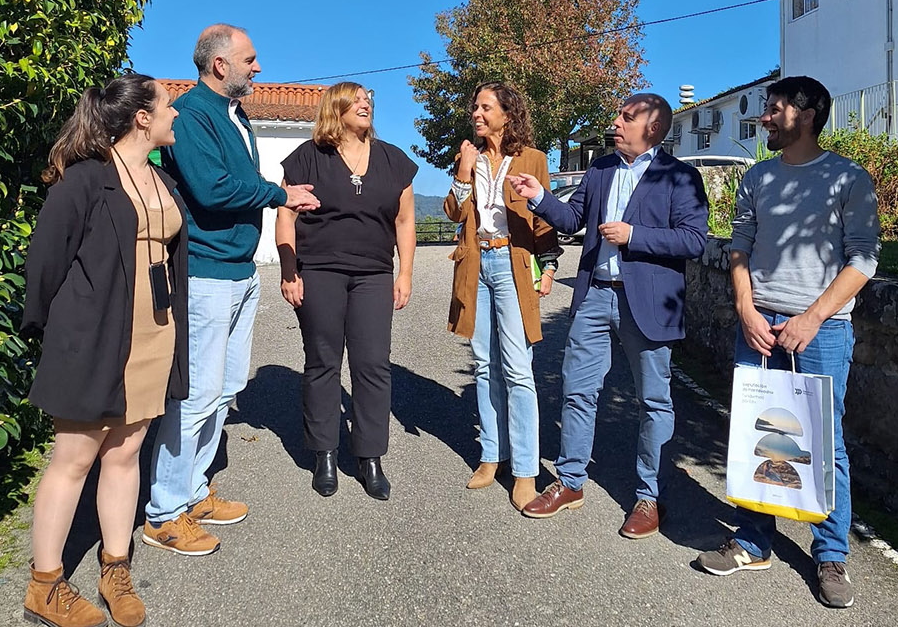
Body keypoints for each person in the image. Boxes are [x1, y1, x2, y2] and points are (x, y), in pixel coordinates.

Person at [696, 76, 879, 608]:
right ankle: (753, 541)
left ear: (805, 114)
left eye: (774, 110)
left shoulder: (849, 178)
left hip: (821, 329)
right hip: (758, 324)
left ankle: (830, 556)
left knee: (823, 442)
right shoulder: (756, 178)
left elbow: (863, 258)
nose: (765, 120)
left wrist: (813, 317)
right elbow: (739, 247)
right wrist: (745, 308)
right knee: (757, 434)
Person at [21, 75, 188, 627]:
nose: (174, 116)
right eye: (167, 107)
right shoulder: (86, 181)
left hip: (152, 332)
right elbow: (45, 261)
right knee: (74, 459)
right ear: (142, 116)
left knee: (125, 451)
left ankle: (114, 569)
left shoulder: (163, 179)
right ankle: (45, 585)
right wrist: (53, 333)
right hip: (92, 336)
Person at [143, 24, 318, 554]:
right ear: (220, 65)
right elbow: (212, 188)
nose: (258, 67)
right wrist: (278, 194)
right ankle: (163, 512)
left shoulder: (236, 114)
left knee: (224, 388)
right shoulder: (195, 114)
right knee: (195, 394)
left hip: (239, 273)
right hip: (206, 275)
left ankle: (194, 492)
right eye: (250, 58)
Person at [509, 92, 708, 537]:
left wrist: (634, 235)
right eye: (618, 115)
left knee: (653, 401)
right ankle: (571, 482)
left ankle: (648, 497)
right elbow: (573, 217)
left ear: (652, 128)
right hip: (596, 295)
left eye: (627, 117)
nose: (615, 122)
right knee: (578, 390)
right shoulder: (600, 168)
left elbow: (694, 240)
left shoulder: (679, 177)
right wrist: (540, 196)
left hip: (649, 304)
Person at [276, 82, 417, 501]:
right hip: (319, 271)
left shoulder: (394, 161)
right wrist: (289, 270)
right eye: (355, 99)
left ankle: (370, 456)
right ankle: (324, 453)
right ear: (335, 109)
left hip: (373, 275)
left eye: (368, 100)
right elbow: (285, 216)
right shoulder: (307, 158)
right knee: (322, 362)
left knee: (373, 364)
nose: (365, 104)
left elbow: (405, 221)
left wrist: (405, 273)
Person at [444, 82, 560, 512]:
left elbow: (544, 221)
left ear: (507, 114)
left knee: (518, 369)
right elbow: (454, 213)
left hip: (513, 267)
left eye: (484, 106)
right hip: (476, 265)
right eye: (475, 106)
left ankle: (526, 470)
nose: (476, 112)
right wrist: (463, 171)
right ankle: (492, 455)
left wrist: (548, 267)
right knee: (484, 364)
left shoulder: (533, 160)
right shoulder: (468, 157)